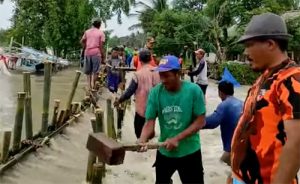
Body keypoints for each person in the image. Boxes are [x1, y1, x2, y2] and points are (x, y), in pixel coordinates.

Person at [231, 13, 300, 184]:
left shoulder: (292, 80)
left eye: (249, 45)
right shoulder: (265, 78)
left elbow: (296, 144)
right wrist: (234, 172)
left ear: (270, 44)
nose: (245, 52)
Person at [139, 55, 206, 184]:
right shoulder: (155, 92)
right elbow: (149, 122)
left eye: (166, 75)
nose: (162, 80)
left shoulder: (194, 91)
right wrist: (143, 139)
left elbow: (200, 121)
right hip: (165, 152)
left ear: (178, 74)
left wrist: (177, 138)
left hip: (189, 151)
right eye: (161, 75)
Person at [114, 49, 160, 138]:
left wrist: (119, 100)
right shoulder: (158, 72)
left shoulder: (138, 74)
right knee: (151, 124)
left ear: (139, 59)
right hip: (155, 106)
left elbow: (129, 92)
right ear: (151, 59)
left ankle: (143, 144)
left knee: (138, 131)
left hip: (142, 108)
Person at [203, 81, 243, 166]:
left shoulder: (225, 105)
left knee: (228, 163)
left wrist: (196, 122)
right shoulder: (241, 102)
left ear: (220, 92)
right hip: (243, 141)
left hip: (233, 144)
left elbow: (212, 122)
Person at [80, 17, 106, 90]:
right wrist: (103, 57)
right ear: (100, 25)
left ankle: (89, 86)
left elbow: (82, 41)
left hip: (87, 52)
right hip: (96, 53)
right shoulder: (101, 33)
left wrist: (85, 47)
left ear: (92, 24)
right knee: (96, 72)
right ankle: (93, 86)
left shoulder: (87, 32)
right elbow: (101, 46)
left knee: (88, 72)